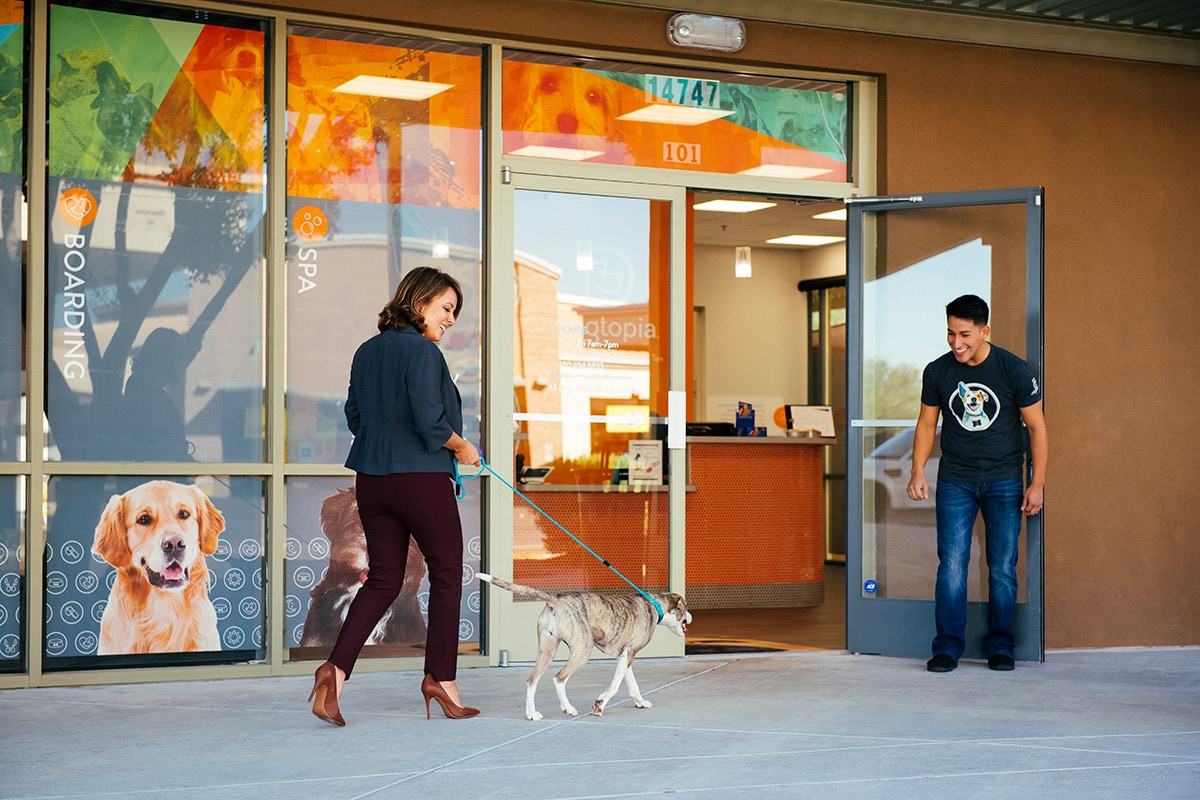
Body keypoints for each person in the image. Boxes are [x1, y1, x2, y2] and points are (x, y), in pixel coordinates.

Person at [309, 266, 481, 725]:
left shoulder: (366, 352)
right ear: (420, 302)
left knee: (384, 578)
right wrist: (463, 447)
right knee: (446, 574)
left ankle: (335, 671)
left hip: (373, 479)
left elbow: (355, 415)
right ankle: (441, 680)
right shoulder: (423, 353)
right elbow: (430, 423)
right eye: (446, 308)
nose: (449, 320)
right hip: (420, 478)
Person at [906, 294, 1047, 673]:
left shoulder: (1013, 370)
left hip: (1004, 479)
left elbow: (1036, 427)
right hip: (956, 480)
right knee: (951, 564)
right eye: (950, 334)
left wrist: (1038, 483)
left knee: (1002, 565)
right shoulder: (938, 371)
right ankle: (947, 648)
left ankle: (1000, 646)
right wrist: (917, 470)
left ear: (985, 331)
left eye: (964, 334)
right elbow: (925, 424)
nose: (956, 343)